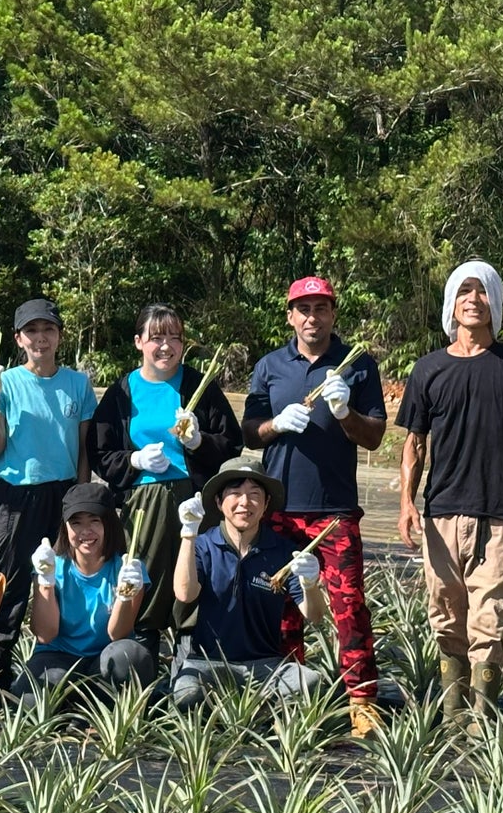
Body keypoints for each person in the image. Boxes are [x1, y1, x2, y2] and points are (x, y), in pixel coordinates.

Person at [397, 260, 503, 723]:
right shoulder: (429, 369)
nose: (473, 300)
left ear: (494, 302)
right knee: (445, 617)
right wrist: (406, 502)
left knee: (489, 619)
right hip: (441, 511)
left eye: (482, 292)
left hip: (500, 513)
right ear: (451, 302)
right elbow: (414, 443)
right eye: (464, 291)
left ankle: (481, 722)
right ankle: (452, 718)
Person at [242, 276, 388, 736]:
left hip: (335, 510)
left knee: (348, 606)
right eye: (303, 309)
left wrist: (345, 412)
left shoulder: (357, 366)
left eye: (320, 308)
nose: (312, 317)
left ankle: (362, 700)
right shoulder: (270, 366)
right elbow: (248, 432)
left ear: (332, 314)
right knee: (282, 603)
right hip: (280, 508)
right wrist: (275, 426)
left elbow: (375, 436)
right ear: (290, 316)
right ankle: (290, 692)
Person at [87, 303, 240, 649]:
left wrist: (199, 442)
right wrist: (135, 460)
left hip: (195, 498)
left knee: (195, 573)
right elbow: (99, 451)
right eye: (157, 337)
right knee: (145, 577)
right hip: (143, 503)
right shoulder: (122, 392)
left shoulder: (199, 386)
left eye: (175, 337)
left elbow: (231, 442)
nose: (166, 346)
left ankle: (192, 651)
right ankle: (141, 650)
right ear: (139, 341)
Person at [0, 298, 96, 660]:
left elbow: (83, 447)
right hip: (16, 497)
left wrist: (83, 498)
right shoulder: (4, 382)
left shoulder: (77, 384)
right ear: (18, 338)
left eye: (48, 330)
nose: (40, 338)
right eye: (32, 331)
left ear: (59, 336)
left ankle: (60, 667)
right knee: (6, 584)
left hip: (64, 496)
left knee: (64, 582)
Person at [171, 457, 329, 711]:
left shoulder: (282, 551)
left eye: (255, 494)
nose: (245, 503)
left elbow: (316, 615)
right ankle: (247, 714)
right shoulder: (202, 545)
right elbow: (185, 593)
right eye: (235, 493)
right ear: (218, 502)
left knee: (310, 682)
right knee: (186, 693)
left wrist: (310, 583)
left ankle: (256, 715)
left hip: (265, 665)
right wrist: (188, 533)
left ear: (266, 504)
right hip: (207, 663)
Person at [22, 482, 156, 692]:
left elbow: (118, 633)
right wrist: (45, 582)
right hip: (59, 657)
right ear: (65, 528)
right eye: (76, 523)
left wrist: (125, 594)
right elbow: (45, 635)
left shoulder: (128, 569)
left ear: (109, 524)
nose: (85, 531)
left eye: (95, 521)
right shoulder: (51, 566)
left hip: (104, 658)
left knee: (130, 656)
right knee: (29, 696)